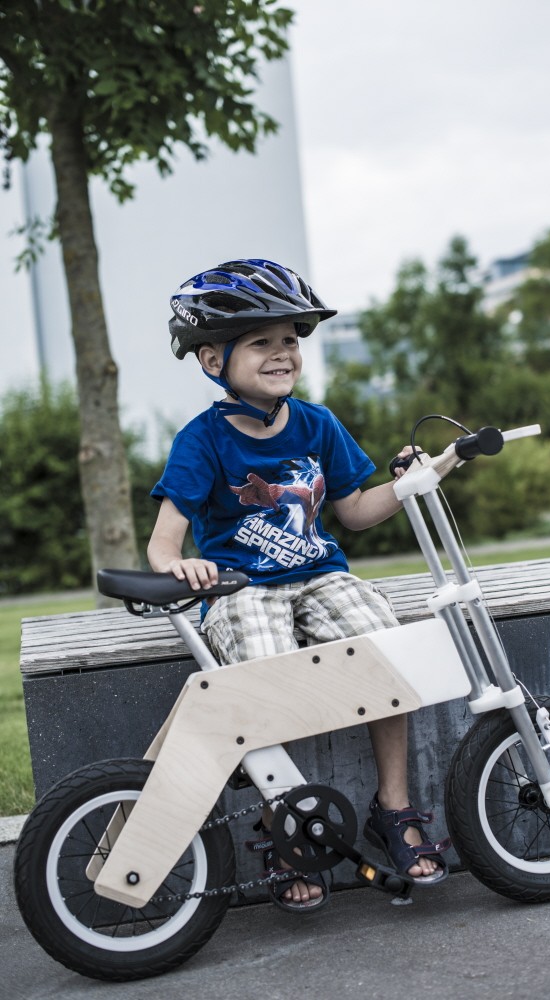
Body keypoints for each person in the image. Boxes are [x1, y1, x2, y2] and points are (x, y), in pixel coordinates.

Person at [148, 259, 448, 912]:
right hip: (242, 587)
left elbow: (354, 513)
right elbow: (164, 542)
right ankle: (282, 820)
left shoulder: (316, 424)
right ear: (212, 359)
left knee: (386, 650)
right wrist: (180, 567)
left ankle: (393, 806)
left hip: (319, 576)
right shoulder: (201, 441)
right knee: (264, 675)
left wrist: (408, 485)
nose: (282, 352)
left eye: (289, 339)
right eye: (261, 342)